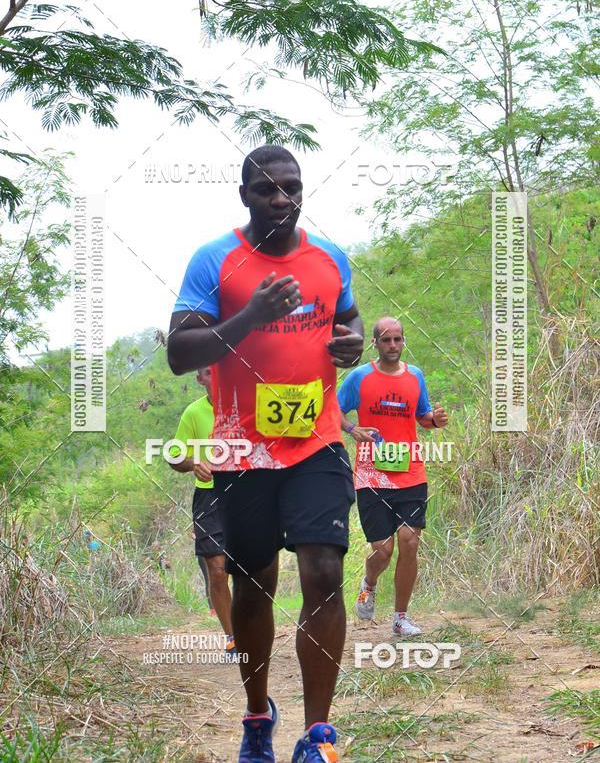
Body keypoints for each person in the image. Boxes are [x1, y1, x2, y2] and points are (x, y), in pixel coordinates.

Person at [168, 144, 363, 763]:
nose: (281, 198)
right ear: (245, 195)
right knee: (254, 586)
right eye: (267, 189)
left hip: (318, 442)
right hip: (241, 448)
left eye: (291, 187)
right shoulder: (215, 260)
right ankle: (258, 717)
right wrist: (248, 315)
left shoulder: (329, 259)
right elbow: (180, 352)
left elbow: (348, 322)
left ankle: (319, 735)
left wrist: (350, 346)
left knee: (326, 574)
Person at [337, 316, 448, 637]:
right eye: (386, 340)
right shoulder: (360, 377)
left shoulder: (415, 376)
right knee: (383, 550)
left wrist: (435, 420)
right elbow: (333, 409)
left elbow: (423, 417)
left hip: (411, 471)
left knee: (409, 542)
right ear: (375, 343)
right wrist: (352, 429)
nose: (393, 346)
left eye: (398, 339)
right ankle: (368, 582)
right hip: (372, 476)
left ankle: (400, 617)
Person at [169, 366, 237, 661]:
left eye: (220, 370)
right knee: (217, 570)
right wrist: (193, 461)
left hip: (247, 491)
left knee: (250, 571)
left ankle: (254, 629)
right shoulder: (193, 413)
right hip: (209, 495)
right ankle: (233, 638)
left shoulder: (245, 404)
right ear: (199, 379)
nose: (216, 377)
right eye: (208, 373)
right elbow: (174, 456)